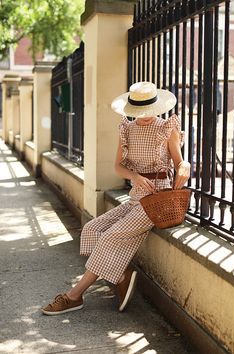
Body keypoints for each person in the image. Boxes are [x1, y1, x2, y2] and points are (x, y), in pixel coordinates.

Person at [41, 81, 190, 316]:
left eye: (148, 111)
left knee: (110, 237)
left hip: (157, 200)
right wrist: (135, 176)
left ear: (156, 107)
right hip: (135, 196)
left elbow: (180, 161)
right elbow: (118, 167)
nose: (144, 116)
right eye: (139, 112)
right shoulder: (127, 129)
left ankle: (74, 296)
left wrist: (185, 166)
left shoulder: (167, 128)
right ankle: (120, 275)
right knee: (92, 229)